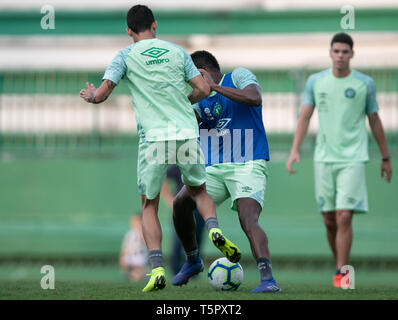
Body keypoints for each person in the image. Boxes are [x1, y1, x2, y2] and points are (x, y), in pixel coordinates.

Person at [79, 5, 240, 292]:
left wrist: (91, 96)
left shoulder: (124, 56)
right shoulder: (177, 51)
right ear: (155, 25)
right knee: (198, 191)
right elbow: (203, 90)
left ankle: (156, 269)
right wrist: (181, 103)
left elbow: (102, 94)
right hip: (186, 134)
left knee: (149, 205)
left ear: (129, 31)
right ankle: (214, 228)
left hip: (154, 139)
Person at [286, 33, 393, 288]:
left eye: (345, 52)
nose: (340, 56)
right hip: (324, 159)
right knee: (329, 219)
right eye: (336, 51)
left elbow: (375, 120)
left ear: (352, 54)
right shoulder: (315, 82)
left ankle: (342, 275)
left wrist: (385, 156)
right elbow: (304, 117)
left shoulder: (364, 84)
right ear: (330, 53)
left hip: (353, 159)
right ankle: (339, 265)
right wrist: (294, 150)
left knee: (344, 215)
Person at [172, 50, 281, 293]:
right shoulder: (200, 100)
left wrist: (214, 87)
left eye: (191, 79)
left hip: (248, 161)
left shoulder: (239, 76)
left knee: (247, 218)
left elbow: (255, 97)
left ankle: (268, 279)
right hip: (213, 167)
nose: (190, 85)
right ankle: (192, 260)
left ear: (202, 73)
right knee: (180, 203)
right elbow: (187, 120)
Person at [160, 165, 205, 276]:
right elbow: (163, 177)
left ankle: (193, 271)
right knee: (178, 239)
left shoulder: (204, 160)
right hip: (182, 206)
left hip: (199, 207)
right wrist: (170, 200)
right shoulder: (180, 162)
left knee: (197, 238)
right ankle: (176, 271)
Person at [119, 214, 147, 281]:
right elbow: (124, 248)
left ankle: (140, 273)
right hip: (130, 256)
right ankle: (131, 274)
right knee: (129, 271)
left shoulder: (144, 232)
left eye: (137, 221)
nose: (135, 223)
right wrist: (121, 258)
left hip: (139, 256)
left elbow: (144, 242)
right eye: (134, 221)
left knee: (138, 275)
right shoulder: (129, 234)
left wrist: (140, 230)